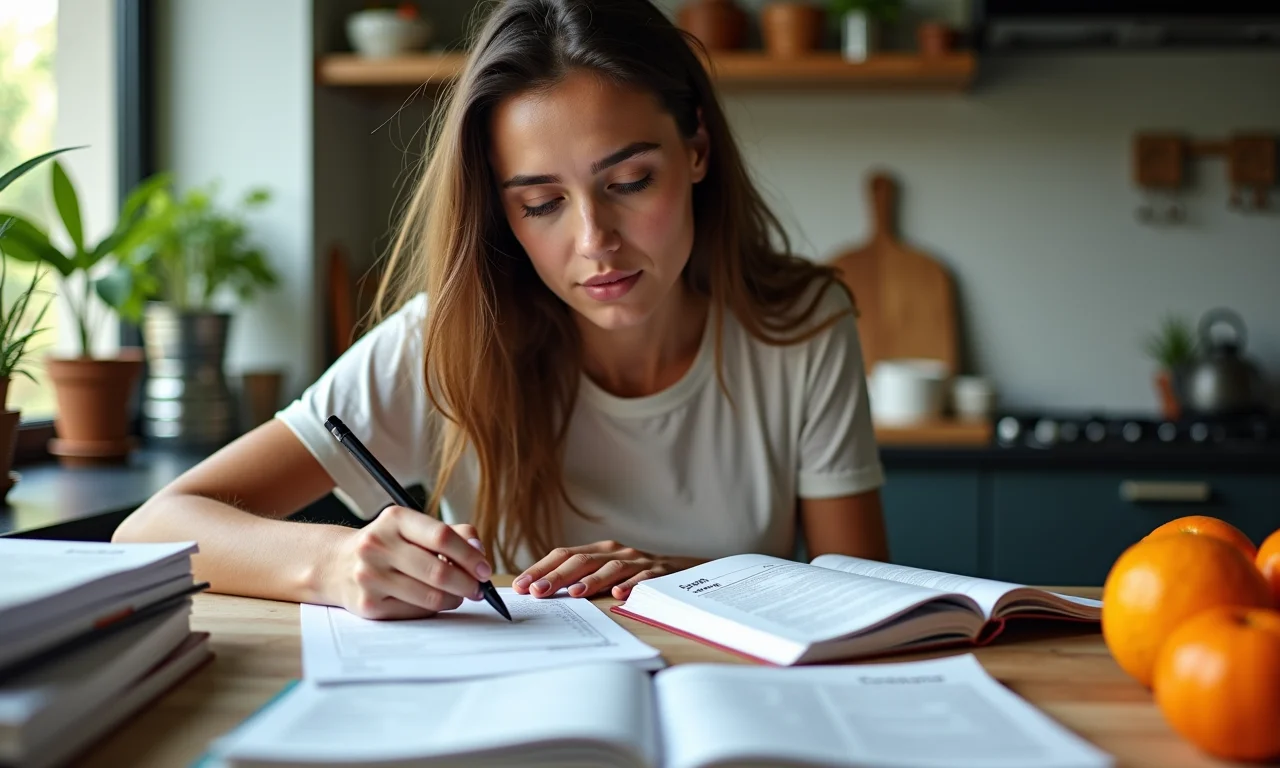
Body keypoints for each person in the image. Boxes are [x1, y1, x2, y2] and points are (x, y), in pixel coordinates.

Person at [113, 0, 889, 620]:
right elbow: (152, 529)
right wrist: (336, 562)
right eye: (542, 202)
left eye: (630, 182)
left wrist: (685, 581)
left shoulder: (801, 325)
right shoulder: (445, 340)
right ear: (502, 215)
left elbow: (867, 597)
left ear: (695, 150)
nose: (595, 242)